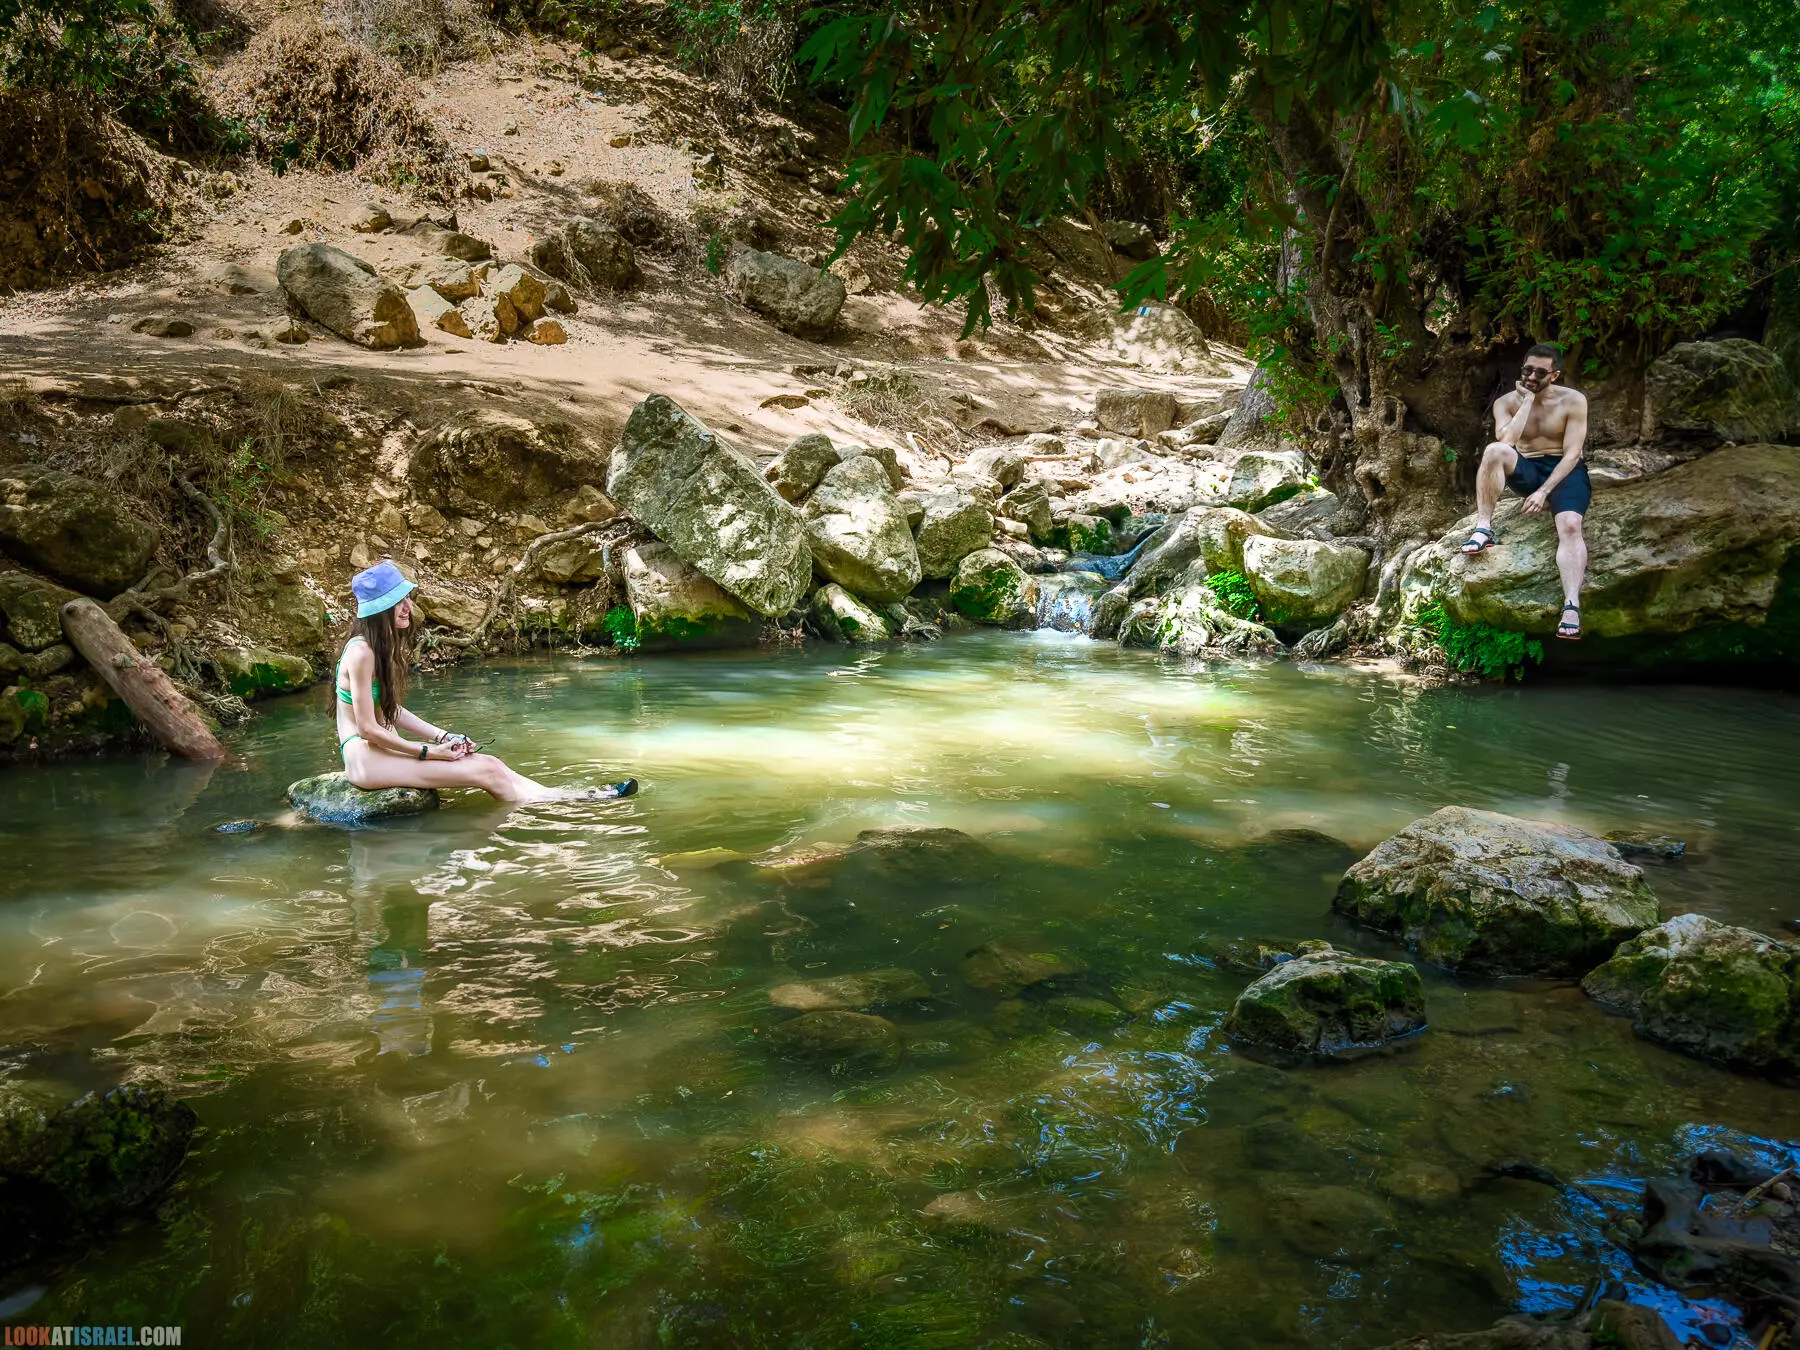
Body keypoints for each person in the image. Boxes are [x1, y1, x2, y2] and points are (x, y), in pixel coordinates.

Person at [334, 560, 636, 803]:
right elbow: (368, 729)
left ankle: (569, 797)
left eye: (407, 599)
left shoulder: (377, 648)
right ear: (378, 610)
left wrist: (443, 737)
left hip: (381, 752)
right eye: (398, 601)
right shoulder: (362, 653)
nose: (408, 607)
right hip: (365, 761)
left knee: (490, 763)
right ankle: (555, 812)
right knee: (486, 773)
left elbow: (391, 710)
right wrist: (428, 752)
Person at [1461, 342, 1591, 640]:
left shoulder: (1574, 401)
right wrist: (1527, 402)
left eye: (1540, 372)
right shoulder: (1506, 402)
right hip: (1528, 467)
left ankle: (1571, 606)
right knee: (1494, 450)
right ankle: (1483, 527)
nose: (1532, 376)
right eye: (1527, 370)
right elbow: (1506, 440)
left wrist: (1544, 492)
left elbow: (1572, 455)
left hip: (1565, 471)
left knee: (1570, 525)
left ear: (1554, 375)